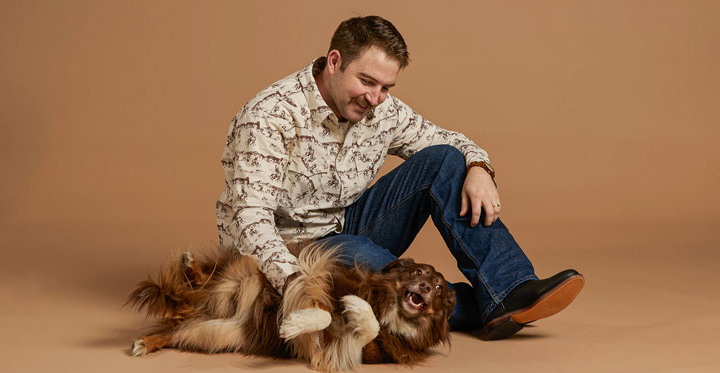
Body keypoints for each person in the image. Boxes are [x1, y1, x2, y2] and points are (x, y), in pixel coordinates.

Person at [216, 15, 584, 340]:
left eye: (386, 87)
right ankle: (475, 305)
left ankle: (510, 289)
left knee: (444, 160)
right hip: (290, 250)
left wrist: (478, 167)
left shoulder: (380, 108)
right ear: (334, 62)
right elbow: (250, 220)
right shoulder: (271, 115)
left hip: (345, 224)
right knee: (365, 258)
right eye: (367, 81)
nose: (375, 98)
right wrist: (295, 284)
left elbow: (450, 142)